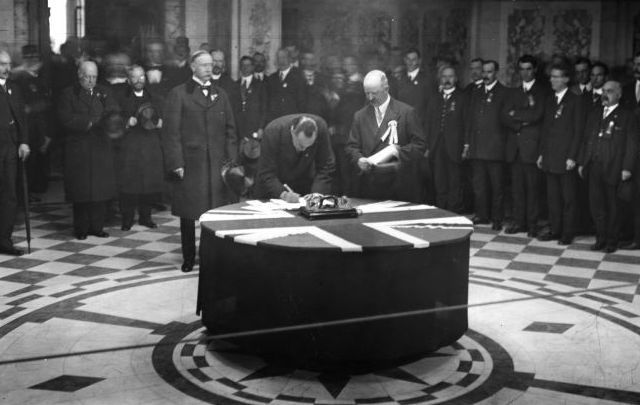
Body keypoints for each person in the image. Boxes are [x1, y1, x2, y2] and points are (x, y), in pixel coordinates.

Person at [161, 50, 237, 272]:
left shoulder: (220, 94)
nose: (208, 68)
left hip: (216, 166)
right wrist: (176, 163)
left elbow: (231, 131)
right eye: (203, 65)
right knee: (188, 214)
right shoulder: (179, 94)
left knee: (214, 213)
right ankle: (188, 257)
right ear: (193, 67)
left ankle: (210, 256)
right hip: (190, 165)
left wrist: (231, 163)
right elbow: (170, 133)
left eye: (210, 64)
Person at [58, 60, 120, 240]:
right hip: (79, 149)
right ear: (79, 75)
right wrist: (91, 121)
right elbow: (65, 119)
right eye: (87, 77)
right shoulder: (68, 94)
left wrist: (106, 119)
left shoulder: (105, 92)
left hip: (101, 147)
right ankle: (81, 229)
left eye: (94, 77)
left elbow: (114, 111)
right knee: (82, 192)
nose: (91, 81)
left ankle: (97, 227)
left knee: (100, 190)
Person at [345, 70, 426, 202]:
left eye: (374, 93)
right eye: (367, 93)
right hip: (369, 186)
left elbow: (420, 145)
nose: (370, 98)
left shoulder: (406, 112)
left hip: (399, 185)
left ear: (386, 89)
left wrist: (398, 152)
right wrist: (359, 160)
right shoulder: (359, 116)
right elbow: (351, 147)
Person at [578, 81, 637, 253]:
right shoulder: (595, 113)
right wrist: (582, 162)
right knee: (597, 206)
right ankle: (600, 238)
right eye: (603, 91)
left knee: (614, 207)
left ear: (618, 94)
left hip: (614, 168)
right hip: (594, 166)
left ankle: (612, 240)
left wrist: (627, 168)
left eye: (609, 91)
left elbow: (632, 145)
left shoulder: (627, 116)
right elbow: (586, 139)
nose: (605, 94)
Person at [537, 64, 585, 245]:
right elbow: (546, 130)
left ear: (566, 79)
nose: (552, 80)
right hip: (550, 157)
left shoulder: (575, 100)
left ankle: (568, 232)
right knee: (553, 198)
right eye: (551, 77)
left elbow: (578, 132)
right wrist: (541, 154)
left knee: (568, 198)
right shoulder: (550, 100)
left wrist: (573, 156)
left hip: (566, 158)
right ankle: (556, 229)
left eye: (556, 77)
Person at [114, 65, 165, 231]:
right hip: (130, 147)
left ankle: (146, 217)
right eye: (134, 77)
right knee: (129, 184)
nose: (138, 80)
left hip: (150, 146)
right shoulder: (120, 98)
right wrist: (126, 123)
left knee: (148, 183)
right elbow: (113, 120)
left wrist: (160, 123)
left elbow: (164, 118)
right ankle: (127, 219)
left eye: (141, 77)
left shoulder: (155, 97)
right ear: (128, 80)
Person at [502, 55, 548, 236]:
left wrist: (517, 114)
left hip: (532, 147)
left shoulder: (543, 92)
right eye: (522, 69)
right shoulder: (513, 92)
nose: (525, 72)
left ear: (534, 69)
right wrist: (521, 121)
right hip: (515, 148)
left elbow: (537, 115)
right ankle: (519, 222)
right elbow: (504, 116)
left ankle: (532, 224)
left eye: (528, 68)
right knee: (517, 189)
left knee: (533, 189)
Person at [465, 60, 508, 230]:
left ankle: (497, 218)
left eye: (489, 72)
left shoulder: (504, 92)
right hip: (477, 147)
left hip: (495, 148)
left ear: (496, 72)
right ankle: (482, 215)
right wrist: (468, 143)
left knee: (497, 186)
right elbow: (470, 119)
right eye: (484, 71)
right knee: (479, 185)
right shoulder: (476, 92)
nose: (485, 75)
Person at [255, 114, 335, 201]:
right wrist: (283, 194)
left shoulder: (321, 127)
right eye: (301, 145)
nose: (305, 149)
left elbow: (326, 166)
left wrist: (317, 194)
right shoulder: (273, 131)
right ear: (292, 132)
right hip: (272, 188)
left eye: (309, 146)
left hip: (303, 187)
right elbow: (266, 172)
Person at [425, 65, 467, 213]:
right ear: (440, 79)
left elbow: (467, 123)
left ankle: (454, 211)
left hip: (455, 146)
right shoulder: (434, 98)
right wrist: (428, 146)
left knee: (455, 181)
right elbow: (428, 123)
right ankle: (441, 211)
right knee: (439, 180)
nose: (447, 79)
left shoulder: (462, 97)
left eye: (450, 76)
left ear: (455, 79)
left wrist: (466, 146)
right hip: (437, 146)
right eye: (444, 76)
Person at [0, 50, 30, 256]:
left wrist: (24, 142)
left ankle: (4, 240)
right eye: (2, 64)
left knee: (10, 196)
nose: (7, 68)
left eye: (9, 64)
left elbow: (22, 118)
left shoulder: (14, 88)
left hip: (10, 149)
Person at [12, 45, 52, 197]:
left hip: (38, 126)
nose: (33, 59)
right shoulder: (18, 77)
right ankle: (25, 195)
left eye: (35, 56)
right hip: (25, 126)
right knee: (26, 161)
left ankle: (32, 191)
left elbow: (46, 103)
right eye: (29, 56)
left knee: (37, 160)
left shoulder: (38, 78)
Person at [266, 48, 305, 121]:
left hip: (293, 119)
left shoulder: (298, 77)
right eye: (279, 58)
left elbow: (302, 102)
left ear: (290, 59)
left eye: (284, 57)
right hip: (275, 120)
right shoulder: (271, 79)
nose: (281, 61)